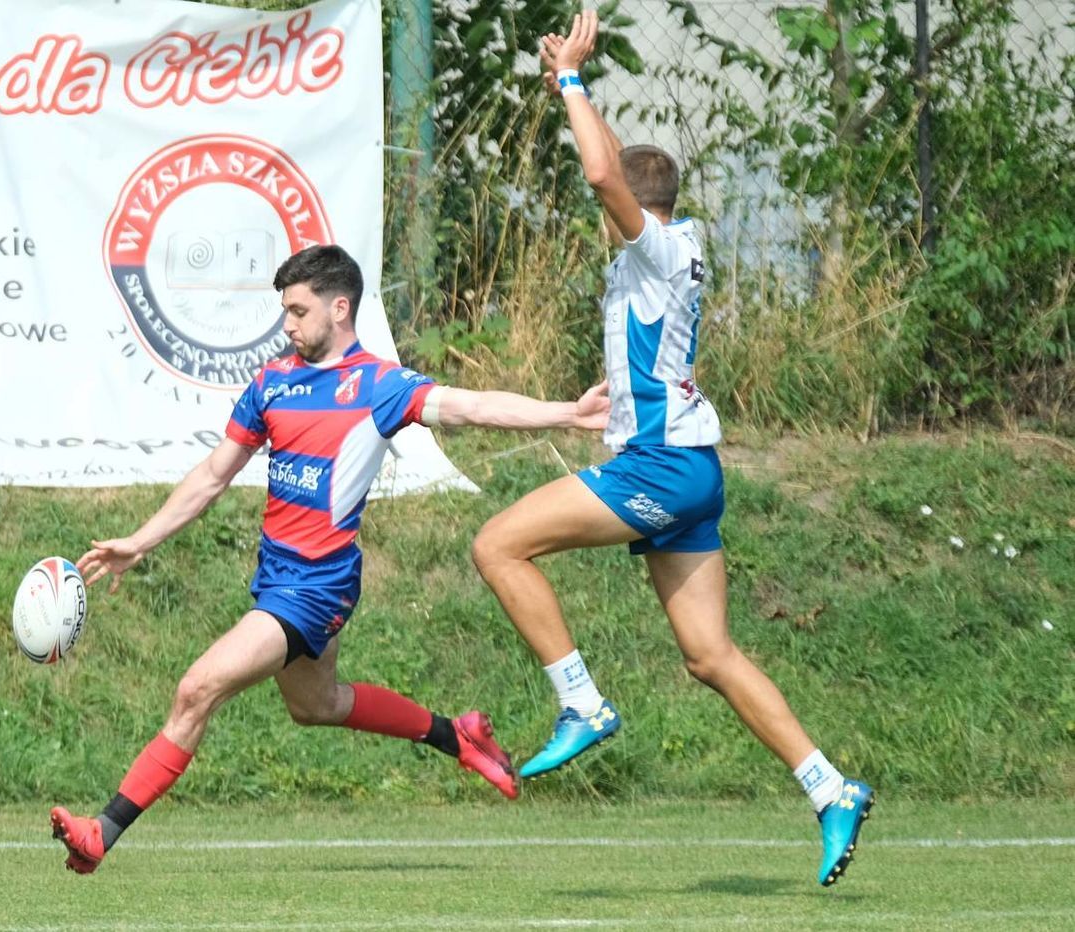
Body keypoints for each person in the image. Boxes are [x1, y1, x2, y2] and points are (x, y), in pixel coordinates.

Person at [468, 12, 874, 887]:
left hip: (659, 469)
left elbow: (600, 169)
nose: (601, 200)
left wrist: (574, 84)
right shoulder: (671, 244)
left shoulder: (651, 251)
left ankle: (581, 701)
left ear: (635, 207)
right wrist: (572, 90)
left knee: (498, 544)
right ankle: (829, 785)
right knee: (709, 655)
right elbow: (615, 162)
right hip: (693, 469)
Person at [50, 244, 611, 874]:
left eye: (297, 310)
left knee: (196, 689)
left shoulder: (379, 385)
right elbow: (212, 475)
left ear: (339, 308)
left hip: (318, 586)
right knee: (316, 705)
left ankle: (103, 831)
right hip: (277, 578)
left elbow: (471, 405)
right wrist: (140, 541)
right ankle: (459, 735)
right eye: (284, 311)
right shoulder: (272, 383)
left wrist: (568, 413)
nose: (287, 325)